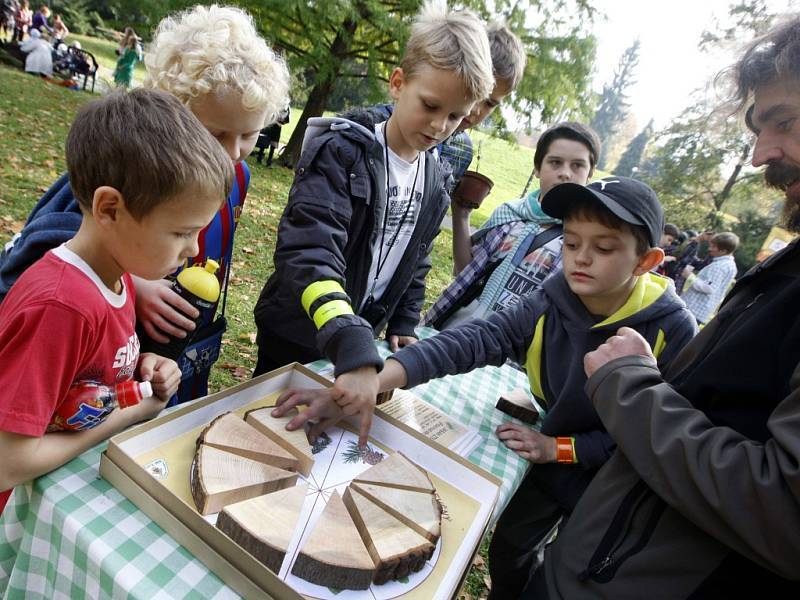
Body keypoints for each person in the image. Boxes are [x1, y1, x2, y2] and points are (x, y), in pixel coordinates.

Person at [273, 176, 697, 597]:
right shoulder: (552, 298)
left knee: (573, 570)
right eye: (570, 243)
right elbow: (473, 340)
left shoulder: (674, 330)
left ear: (647, 261)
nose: (580, 259)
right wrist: (371, 381)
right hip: (549, 451)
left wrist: (559, 449)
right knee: (512, 544)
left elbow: (654, 437)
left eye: (603, 248)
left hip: (611, 475)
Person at [520, 15, 800, 598]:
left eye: (785, 122)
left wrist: (625, 388)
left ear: (647, 262)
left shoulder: (669, 322)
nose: (759, 156)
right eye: (571, 244)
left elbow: (783, 508)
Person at [0, 5, 291, 405]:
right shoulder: (127, 173)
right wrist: (134, 284)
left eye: (249, 135)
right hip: (110, 351)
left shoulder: (238, 176)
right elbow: (52, 246)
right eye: (215, 133)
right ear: (169, 111)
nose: (232, 152)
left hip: (179, 349)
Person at [253, 1, 494, 443]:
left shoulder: (437, 177)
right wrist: (346, 333)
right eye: (430, 105)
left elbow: (416, 256)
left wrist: (403, 321)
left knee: (322, 440)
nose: (441, 126)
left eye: (457, 116)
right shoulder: (343, 151)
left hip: (362, 337)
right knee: (272, 432)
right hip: (300, 332)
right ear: (398, 83)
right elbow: (309, 249)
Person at [0, 88, 234, 517]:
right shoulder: (62, 307)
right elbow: (8, 462)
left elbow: (82, 380)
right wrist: (127, 415)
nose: (193, 249)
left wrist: (140, 368)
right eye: (182, 232)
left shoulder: (119, 273)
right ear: (109, 209)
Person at [425, 122, 601, 330]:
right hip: (454, 330)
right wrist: (462, 215)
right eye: (555, 162)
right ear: (537, 168)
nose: (565, 173)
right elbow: (464, 271)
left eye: (577, 166)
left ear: (589, 174)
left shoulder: (582, 240)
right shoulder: (509, 215)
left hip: (508, 352)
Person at [681, 231, 739, 325]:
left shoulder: (720, 266)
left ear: (723, 251)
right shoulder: (730, 265)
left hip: (693, 310)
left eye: (713, 247)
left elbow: (709, 288)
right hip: (699, 311)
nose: (709, 249)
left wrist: (689, 276)